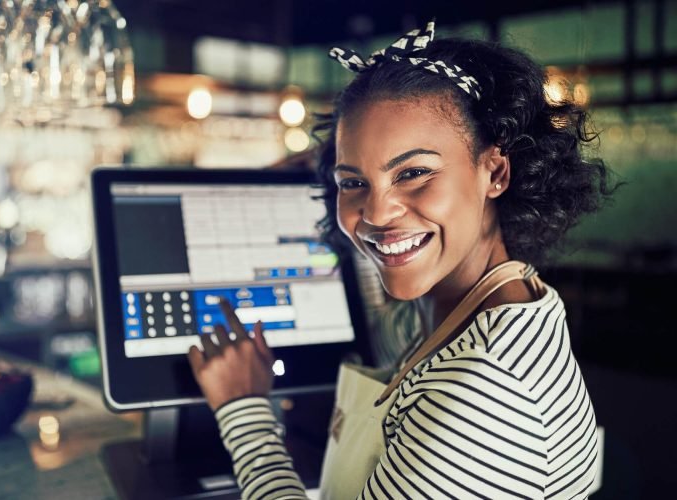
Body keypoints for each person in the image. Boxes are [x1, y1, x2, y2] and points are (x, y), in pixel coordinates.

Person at [188, 21, 614, 500]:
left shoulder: (487, 394)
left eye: (413, 173)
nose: (375, 213)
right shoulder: (466, 308)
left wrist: (244, 410)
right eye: (353, 182)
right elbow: (380, 322)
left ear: (495, 171)